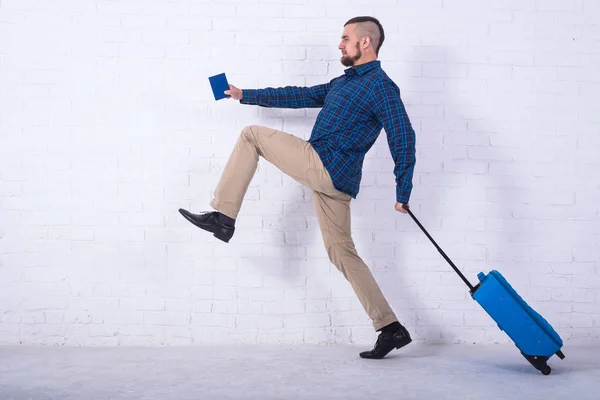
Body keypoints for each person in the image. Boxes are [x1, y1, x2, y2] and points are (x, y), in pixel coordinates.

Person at [179, 16, 416, 359]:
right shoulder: (343, 83)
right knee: (342, 253)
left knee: (252, 135)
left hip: (325, 165)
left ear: (365, 43)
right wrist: (246, 94)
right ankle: (390, 328)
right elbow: (299, 95)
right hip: (337, 182)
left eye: (345, 38)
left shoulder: (380, 86)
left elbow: (402, 134)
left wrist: (402, 190)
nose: (340, 44)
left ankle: (223, 217)